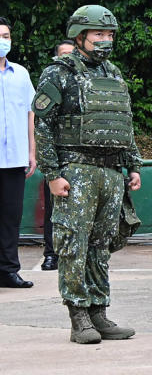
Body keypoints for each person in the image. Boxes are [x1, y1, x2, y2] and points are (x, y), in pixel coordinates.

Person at [31, 4, 141, 344]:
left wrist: (133, 163)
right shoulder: (58, 73)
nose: (105, 40)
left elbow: (124, 120)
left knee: (100, 245)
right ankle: (79, 316)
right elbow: (44, 125)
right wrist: (52, 173)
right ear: (79, 36)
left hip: (110, 171)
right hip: (75, 170)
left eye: (109, 34)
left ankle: (99, 312)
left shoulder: (114, 73)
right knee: (73, 244)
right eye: (98, 34)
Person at [0, 16, 36, 289]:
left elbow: (30, 114)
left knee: (11, 217)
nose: (3, 41)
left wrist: (32, 152)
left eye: (6, 36)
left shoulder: (21, 74)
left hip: (14, 158)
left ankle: (9, 270)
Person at [40, 39, 75, 272]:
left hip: (80, 158)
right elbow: (43, 123)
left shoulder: (86, 80)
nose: (68, 59)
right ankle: (51, 254)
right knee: (53, 210)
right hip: (56, 157)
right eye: (63, 54)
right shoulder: (51, 79)